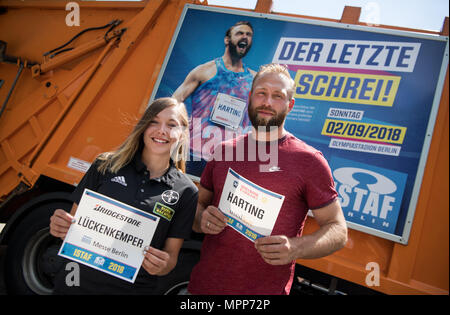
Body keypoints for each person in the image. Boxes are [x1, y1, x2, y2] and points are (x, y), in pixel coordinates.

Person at [187, 64, 348, 295]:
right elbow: (197, 208)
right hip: (202, 290)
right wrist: (202, 217)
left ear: (290, 105)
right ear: (250, 97)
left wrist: (295, 248)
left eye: (278, 96)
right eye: (261, 93)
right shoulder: (224, 151)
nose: (267, 102)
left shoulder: (309, 161)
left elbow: (338, 230)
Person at [49, 97, 198, 294]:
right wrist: (60, 226)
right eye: (154, 121)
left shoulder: (186, 191)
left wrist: (163, 265)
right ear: (144, 126)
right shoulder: (105, 165)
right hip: (75, 281)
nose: (162, 130)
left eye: (172, 125)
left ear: (182, 134)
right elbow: (72, 225)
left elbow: (171, 259)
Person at [173, 21, 256, 177]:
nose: (245, 37)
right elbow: (173, 103)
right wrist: (183, 128)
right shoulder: (205, 70)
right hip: (194, 153)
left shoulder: (254, 79)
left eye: (249, 35)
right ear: (227, 40)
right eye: (240, 33)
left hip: (228, 159)